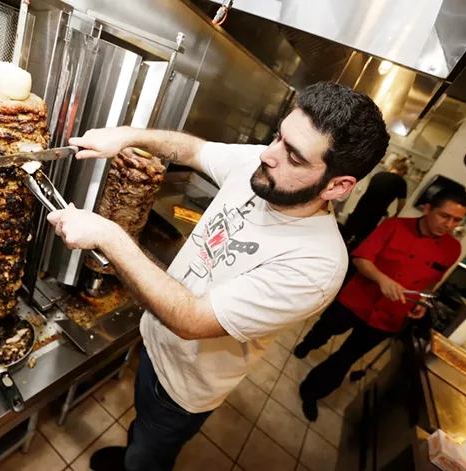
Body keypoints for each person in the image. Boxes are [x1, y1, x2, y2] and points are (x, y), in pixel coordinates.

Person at [47, 82, 390, 471]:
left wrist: (107, 235)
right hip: (154, 344)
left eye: (293, 155)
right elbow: (192, 150)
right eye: (279, 137)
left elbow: (191, 320)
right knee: (140, 429)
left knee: (150, 452)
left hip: (183, 389)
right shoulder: (262, 165)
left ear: (337, 186)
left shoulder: (316, 266)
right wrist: (127, 136)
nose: (268, 154)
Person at [294, 187, 466, 421]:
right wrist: (382, 279)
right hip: (357, 299)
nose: (449, 224)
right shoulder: (395, 226)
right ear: (428, 208)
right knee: (325, 329)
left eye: (457, 220)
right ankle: (309, 344)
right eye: (444, 216)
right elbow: (360, 258)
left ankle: (312, 392)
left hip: (390, 314)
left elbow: (431, 282)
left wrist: (420, 302)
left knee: (346, 357)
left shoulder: (452, 249)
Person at [342, 158, 408, 250]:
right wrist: (395, 216)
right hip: (373, 216)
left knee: (345, 235)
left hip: (360, 209)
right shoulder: (401, 182)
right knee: (360, 243)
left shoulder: (378, 175)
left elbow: (375, 195)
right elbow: (402, 204)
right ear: (402, 171)